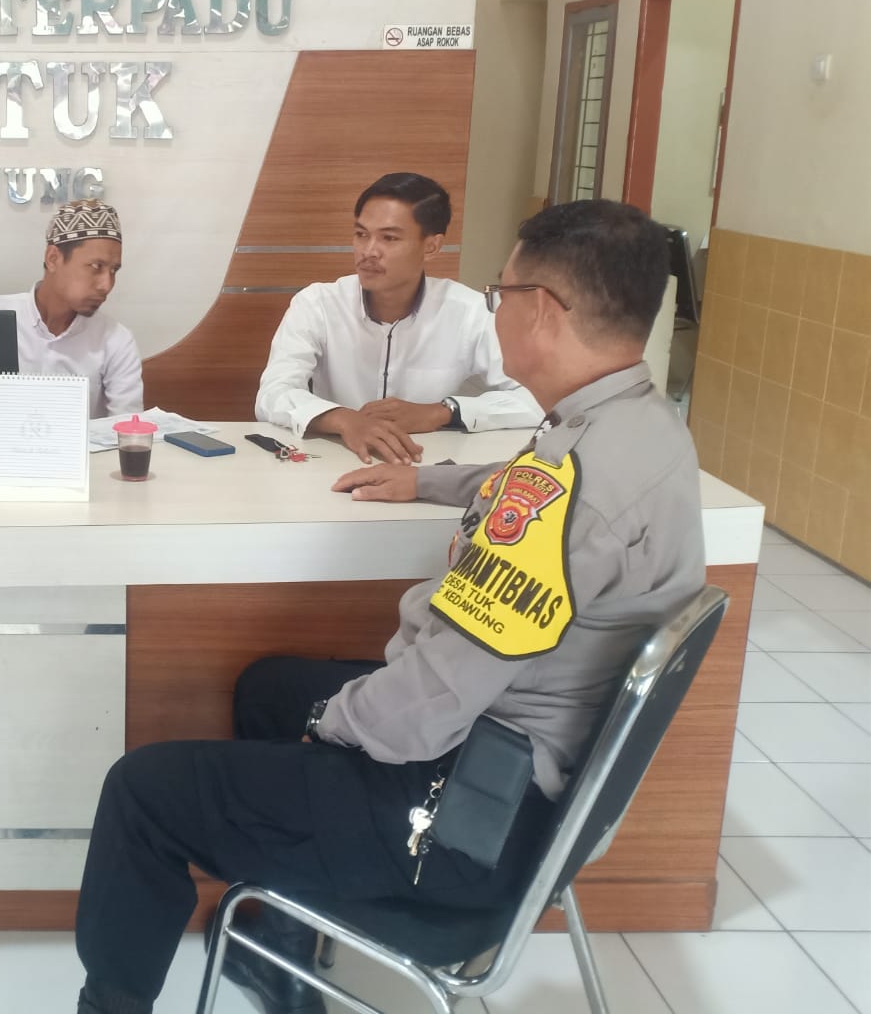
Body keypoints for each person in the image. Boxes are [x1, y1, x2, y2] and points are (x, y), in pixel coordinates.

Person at [73, 201, 704, 1014]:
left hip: (460, 826)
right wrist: (433, 480)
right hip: (525, 779)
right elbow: (540, 489)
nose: (493, 307)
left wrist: (330, 722)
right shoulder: (637, 428)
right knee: (268, 686)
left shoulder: (564, 497)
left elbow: (424, 709)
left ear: (543, 312)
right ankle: (284, 955)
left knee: (143, 790)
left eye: (502, 292)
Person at [254, 172, 542, 466]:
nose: (368, 251)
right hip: (332, 460)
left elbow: (539, 398)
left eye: (389, 238)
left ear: (431, 246)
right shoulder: (318, 304)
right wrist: (342, 418)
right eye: (361, 234)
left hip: (425, 465)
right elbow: (273, 394)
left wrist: (442, 412)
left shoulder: (470, 311)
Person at [0, 199, 144, 418]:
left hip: (88, 443)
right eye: (96, 267)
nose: (106, 285)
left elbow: (127, 428)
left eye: (114, 270)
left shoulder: (115, 340)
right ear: (53, 259)